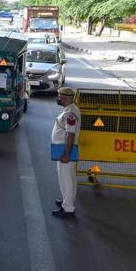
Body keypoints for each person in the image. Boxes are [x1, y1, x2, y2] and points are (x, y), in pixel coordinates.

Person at [51, 87, 81, 218]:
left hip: (65, 149)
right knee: (69, 177)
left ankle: (68, 208)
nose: (58, 98)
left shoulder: (70, 113)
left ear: (67, 98)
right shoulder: (69, 109)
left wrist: (66, 154)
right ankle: (67, 201)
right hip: (63, 148)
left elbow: (70, 134)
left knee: (66, 178)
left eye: (60, 97)